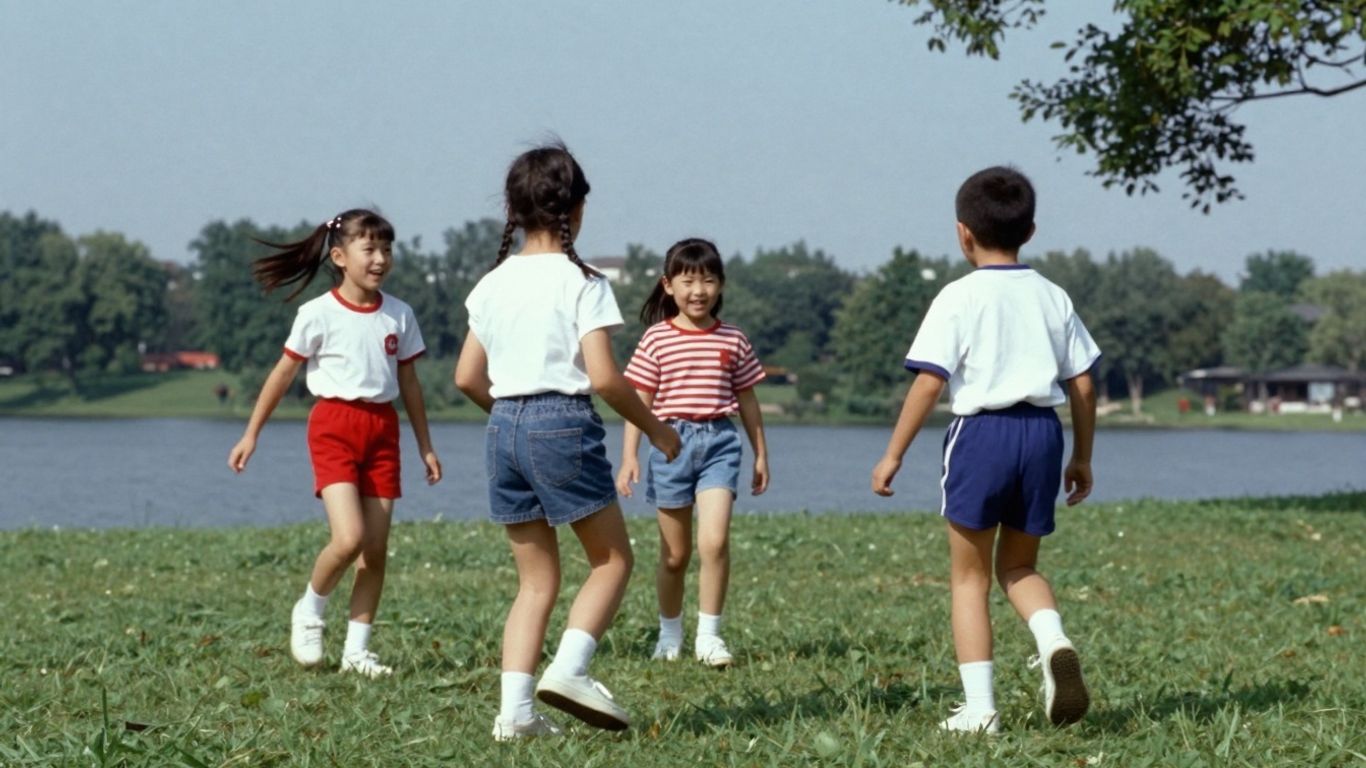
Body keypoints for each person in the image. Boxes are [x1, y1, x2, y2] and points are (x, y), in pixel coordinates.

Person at [455, 142, 681, 742]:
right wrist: (657, 429)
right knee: (612, 560)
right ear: (575, 209)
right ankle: (571, 671)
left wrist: (513, 419)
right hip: (561, 419)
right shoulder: (584, 281)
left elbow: (465, 377)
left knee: (534, 582)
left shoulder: (492, 283)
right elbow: (605, 377)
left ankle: (515, 716)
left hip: (503, 425)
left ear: (513, 209)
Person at [870, 167, 1099, 734]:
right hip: (1043, 434)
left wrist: (893, 454)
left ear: (962, 233)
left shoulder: (958, 295)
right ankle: (1053, 640)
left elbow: (929, 382)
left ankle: (979, 708)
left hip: (982, 436)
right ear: (1031, 229)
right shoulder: (1052, 295)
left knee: (968, 579)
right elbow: (1085, 385)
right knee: (1019, 565)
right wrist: (1082, 457)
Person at [228, 209, 443, 679]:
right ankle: (309, 610)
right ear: (341, 256)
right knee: (348, 540)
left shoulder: (399, 314)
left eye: (387, 249)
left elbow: (410, 384)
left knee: (376, 550)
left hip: (382, 429)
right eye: (370, 249)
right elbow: (283, 373)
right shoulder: (317, 313)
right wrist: (252, 433)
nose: (381, 258)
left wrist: (425, 445)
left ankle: (357, 652)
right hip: (333, 425)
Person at [615, 238, 770, 669]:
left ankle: (710, 637)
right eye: (688, 281)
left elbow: (749, 401)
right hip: (670, 445)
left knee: (714, 542)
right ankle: (669, 634)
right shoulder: (656, 339)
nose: (698, 290)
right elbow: (638, 402)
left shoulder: (734, 339)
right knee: (675, 554)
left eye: (708, 280)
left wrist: (760, 453)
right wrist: (629, 456)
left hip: (721, 443)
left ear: (720, 286)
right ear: (668, 286)